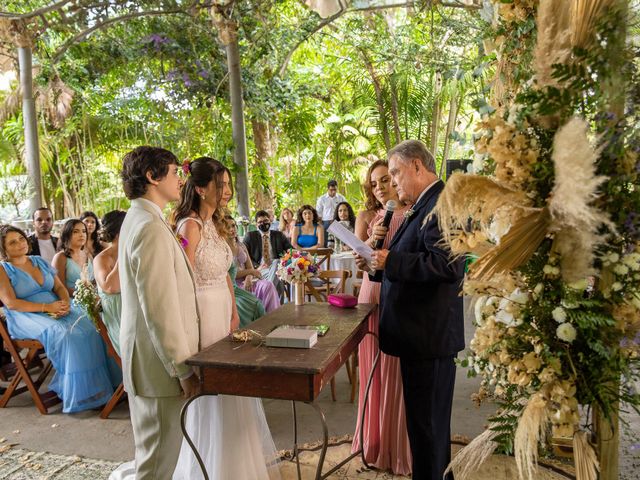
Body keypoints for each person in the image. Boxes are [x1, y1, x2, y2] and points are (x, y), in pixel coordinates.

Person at [355, 140, 464, 480]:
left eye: (397, 174)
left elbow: (448, 265)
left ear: (418, 166)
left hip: (428, 337)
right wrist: (376, 264)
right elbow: (408, 257)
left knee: (428, 429)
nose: (395, 182)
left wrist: (392, 260)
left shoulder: (442, 203)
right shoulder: (421, 204)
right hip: (418, 336)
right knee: (424, 430)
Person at [172, 157, 280, 479]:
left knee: (233, 390)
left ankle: (239, 467)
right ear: (201, 188)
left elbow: (225, 275)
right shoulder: (188, 225)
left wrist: (234, 312)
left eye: (229, 185)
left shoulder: (217, 226)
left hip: (223, 307)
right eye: (222, 185)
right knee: (212, 393)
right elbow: (183, 281)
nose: (228, 191)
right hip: (202, 313)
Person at [113, 146, 200, 480]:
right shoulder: (148, 225)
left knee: (157, 458)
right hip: (157, 366)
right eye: (175, 171)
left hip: (150, 361)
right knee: (156, 465)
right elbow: (158, 308)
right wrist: (182, 368)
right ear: (152, 176)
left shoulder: (143, 218)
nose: (181, 179)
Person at [0, 225, 118, 413]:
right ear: (4, 248)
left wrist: (64, 303)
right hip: (27, 315)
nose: (20, 244)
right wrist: (47, 307)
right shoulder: (3, 269)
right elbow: (11, 303)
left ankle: (105, 384)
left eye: (21, 239)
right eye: (12, 242)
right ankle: (82, 393)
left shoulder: (38, 261)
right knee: (68, 334)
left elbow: (60, 287)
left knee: (92, 325)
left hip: (57, 306)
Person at [350, 160, 411, 475]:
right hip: (371, 296)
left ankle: (397, 448)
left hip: (399, 299)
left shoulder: (413, 213)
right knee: (372, 371)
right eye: (374, 184)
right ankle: (372, 444)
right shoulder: (366, 217)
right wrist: (372, 240)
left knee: (397, 373)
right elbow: (361, 261)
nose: (380, 187)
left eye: (385, 180)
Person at [226, 216, 280, 314]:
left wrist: (249, 277)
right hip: (234, 284)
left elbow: (250, 267)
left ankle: (273, 317)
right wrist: (250, 272)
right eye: (227, 227)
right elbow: (230, 274)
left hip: (247, 279)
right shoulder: (223, 249)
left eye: (233, 226)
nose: (231, 229)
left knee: (268, 285)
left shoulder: (241, 245)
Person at [93, 210, 127, 356]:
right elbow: (110, 287)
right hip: (118, 314)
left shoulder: (137, 250)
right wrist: (123, 253)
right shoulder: (101, 259)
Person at [243, 210, 292, 300]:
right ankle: (277, 309)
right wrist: (254, 269)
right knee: (279, 278)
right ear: (256, 224)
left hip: (276, 267)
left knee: (277, 264)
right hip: (259, 269)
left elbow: (290, 250)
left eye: (265, 221)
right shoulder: (250, 236)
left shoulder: (279, 235)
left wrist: (286, 258)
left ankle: (267, 295)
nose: (263, 223)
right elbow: (244, 256)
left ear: (270, 221)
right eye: (260, 222)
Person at [52, 219, 93, 297]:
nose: (81, 235)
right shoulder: (60, 257)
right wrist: (85, 296)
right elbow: (59, 287)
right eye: (76, 232)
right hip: (71, 301)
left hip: (92, 300)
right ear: (66, 234)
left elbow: (94, 282)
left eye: (84, 231)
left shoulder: (88, 255)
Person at [316, 179, 346, 246]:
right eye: (331, 190)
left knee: (339, 241)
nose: (333, 192)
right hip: (326, 222)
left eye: (335, 190)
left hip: (338, 221)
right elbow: (319, 213)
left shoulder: (341, 198)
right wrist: (321, 225)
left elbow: (346, 208)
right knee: (326, 242)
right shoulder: (322, 199)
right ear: (328, 189)